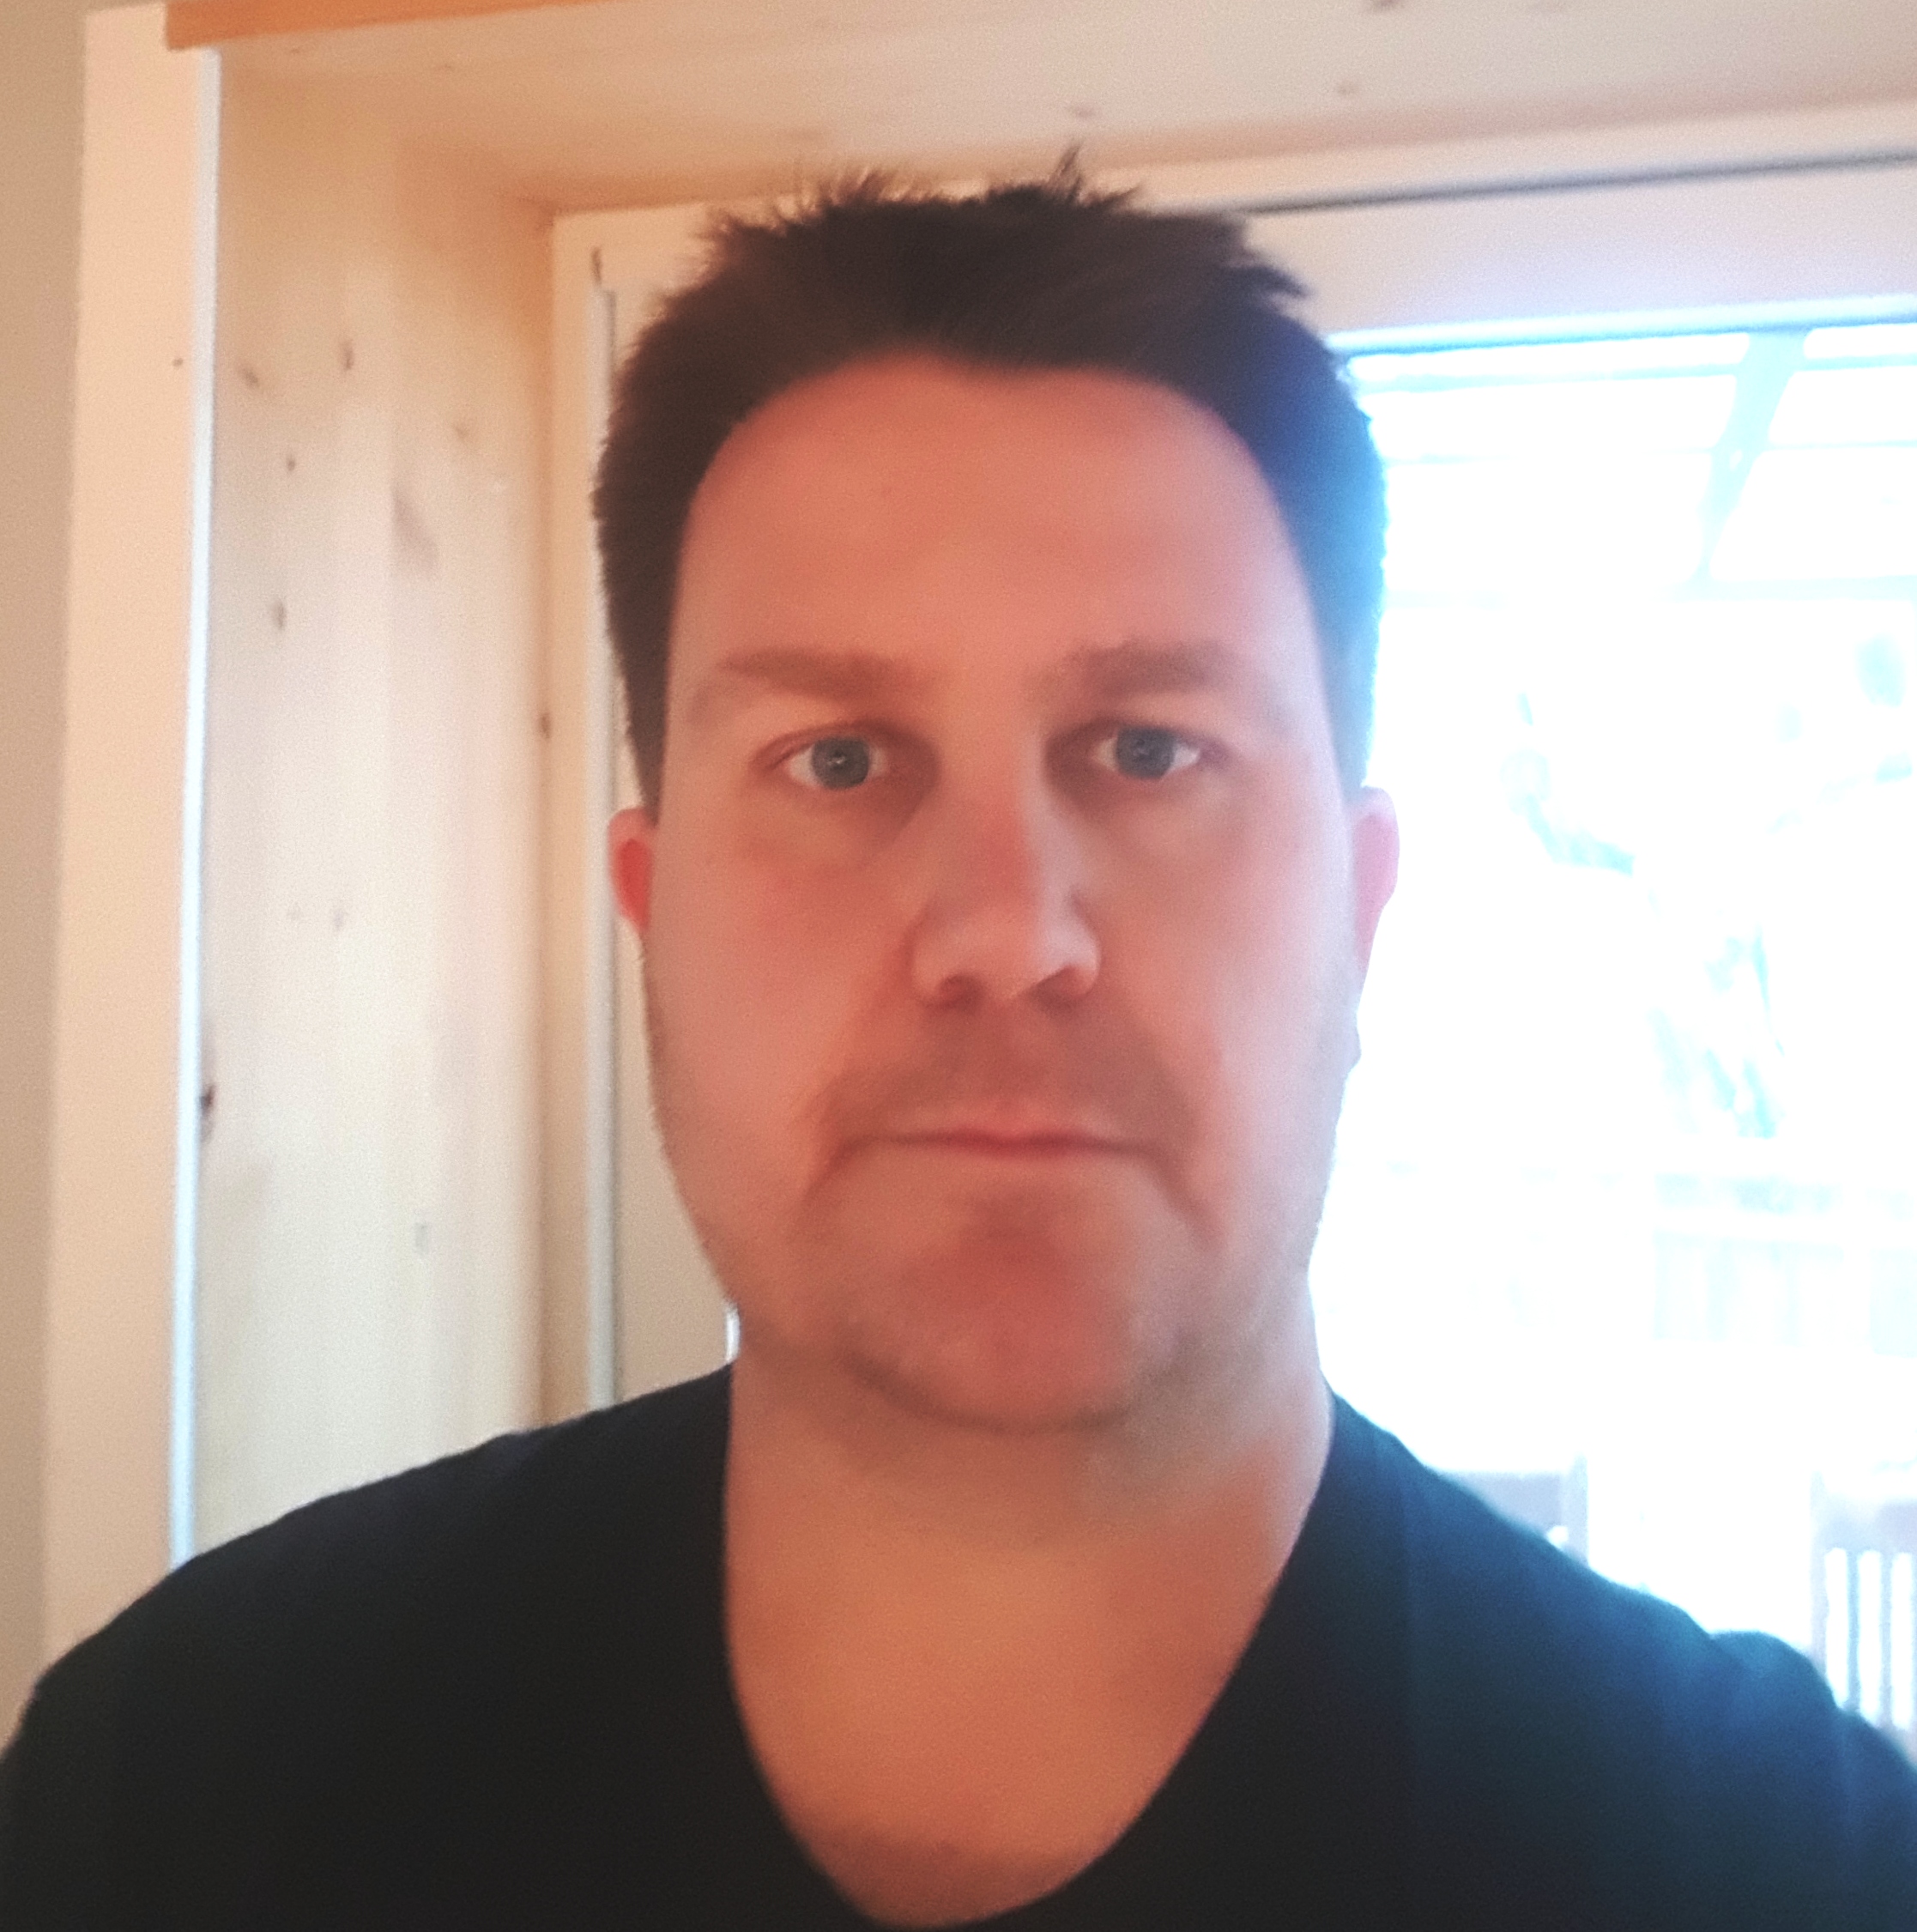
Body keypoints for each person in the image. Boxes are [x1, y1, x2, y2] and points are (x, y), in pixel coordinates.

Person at [3, 169, 1914, 1930]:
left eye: (1150, 749)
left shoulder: (1786, 1868)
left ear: (1359, 910)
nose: (1006, 928)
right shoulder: (173, 1789)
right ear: (655, 911)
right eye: (835, 760)